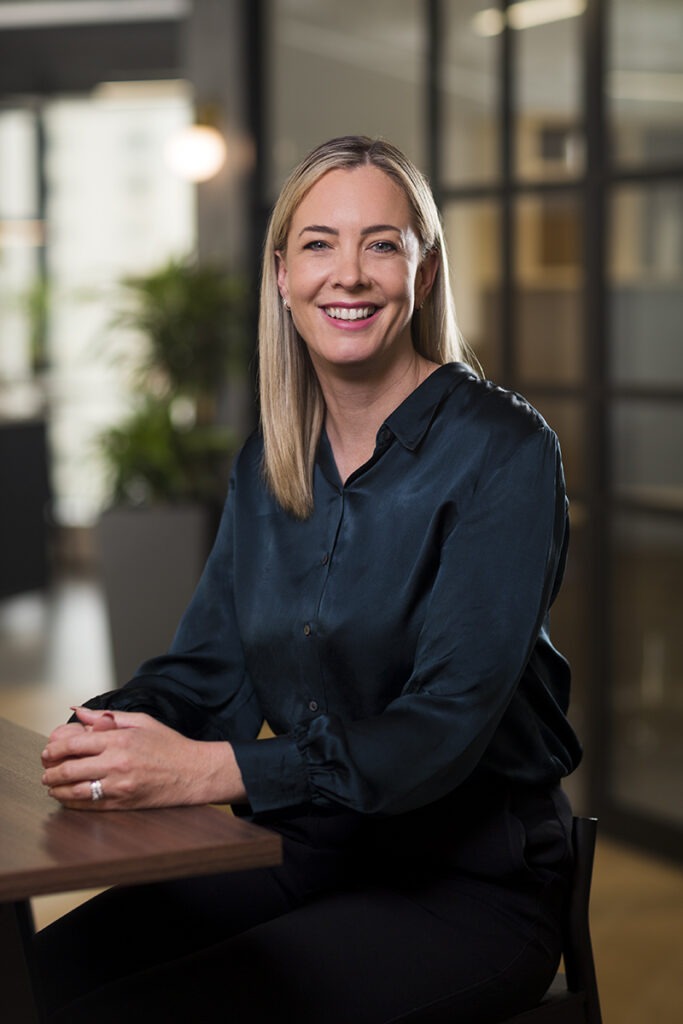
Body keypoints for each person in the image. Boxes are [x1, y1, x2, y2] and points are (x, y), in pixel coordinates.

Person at [36, 135, 582, 1024]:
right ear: (282, 274)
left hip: (470, 886)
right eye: (320, 244)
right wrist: (97, 736)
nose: (349, 274)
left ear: (423, 270)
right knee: (38, 977)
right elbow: (204, 675)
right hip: (308, 852)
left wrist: (207, 771)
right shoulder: (270, 463)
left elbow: (436, 730)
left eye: (381, 243)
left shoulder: (504, 453)